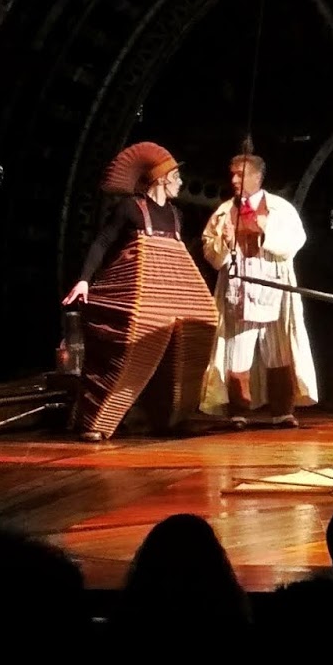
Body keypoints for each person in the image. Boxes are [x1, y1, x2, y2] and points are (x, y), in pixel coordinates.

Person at [62, 142, 217, 442]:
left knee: (201, 324)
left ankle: (171, 415)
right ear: (162, 179)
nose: (181, 183)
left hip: (168, 290)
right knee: (132, 343)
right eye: (177, 177)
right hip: (138, 292)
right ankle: (97, 420)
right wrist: (84, 280)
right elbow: (103, 242)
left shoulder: (176, 215)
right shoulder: (131, 208)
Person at [200, 150, 317, 427]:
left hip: (273, 289)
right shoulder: (224, 212)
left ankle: (282, 411)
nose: (234, 180)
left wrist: (266, 230)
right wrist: (225, 242)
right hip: (239, 290)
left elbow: (296, 241)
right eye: (232, 175)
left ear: (257, 177)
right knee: (237, 351)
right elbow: (211, 253)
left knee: (278, 350)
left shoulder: (280, 209)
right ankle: (238, 411)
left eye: (240, 175)